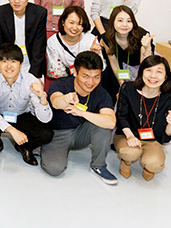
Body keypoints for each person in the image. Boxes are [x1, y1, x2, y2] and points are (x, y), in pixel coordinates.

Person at [41, 51, 117, 185]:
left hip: (81, 132)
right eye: (85, 76)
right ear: (75, 73)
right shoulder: (61, 84)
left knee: (103, 125)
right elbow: (55, 101)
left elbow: (111, 122)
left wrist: (82, 113)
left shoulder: (102, 93)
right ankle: (41, 148)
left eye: (96, 77)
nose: (91, 82)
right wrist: (66, 99)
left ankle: (98, 165)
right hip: (57, 134)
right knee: (54, 169)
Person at [0, 44, 53, 166]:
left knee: (46, 134)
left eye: (13, 61)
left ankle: (25, 146)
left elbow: (45, 119)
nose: (9, 66)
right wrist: (13, 131)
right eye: (4, 61)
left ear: (20, 64)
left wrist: (42, 98)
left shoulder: (31, 80)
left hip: (22, 115)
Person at [115, 55, 171, 181]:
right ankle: (126, 162)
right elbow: (121, 117)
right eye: (149, 70)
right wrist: (130, 136)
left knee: (154, 163)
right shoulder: (128, 88)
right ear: (141, 72)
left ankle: (148, 167)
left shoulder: (169, 97)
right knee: (130, 152)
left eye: (159, 72)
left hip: (153, 139)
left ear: (166, 76)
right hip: (127, 135)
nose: (153, 76)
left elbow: (169, 133)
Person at [0, 0, 47, 78]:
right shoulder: (0, 13)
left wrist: (34, 76)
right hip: (8, 61)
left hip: (31, 60)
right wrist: (1, 70)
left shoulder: (39, 13)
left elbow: (39, 47)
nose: (16, 1)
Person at [99, 5, 154, 103]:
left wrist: (147, 47)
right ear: (113, 22)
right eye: (120, 20)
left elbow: (146, 64)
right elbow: (114, 63)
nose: (124, 24)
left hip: (141, 67)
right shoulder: (107, 38)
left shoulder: (142, 35)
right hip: (121, 68)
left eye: (129, 21)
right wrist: (122, 85)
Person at [46, 6, 102, 83]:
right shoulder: (53, 41)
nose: (75, 28)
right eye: (71, 23)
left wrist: (94, 55)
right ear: (63, 22)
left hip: (87, 81)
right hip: (64, 81)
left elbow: (101, 68)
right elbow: (55, 72)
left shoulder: (90, 40)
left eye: (79, 24)